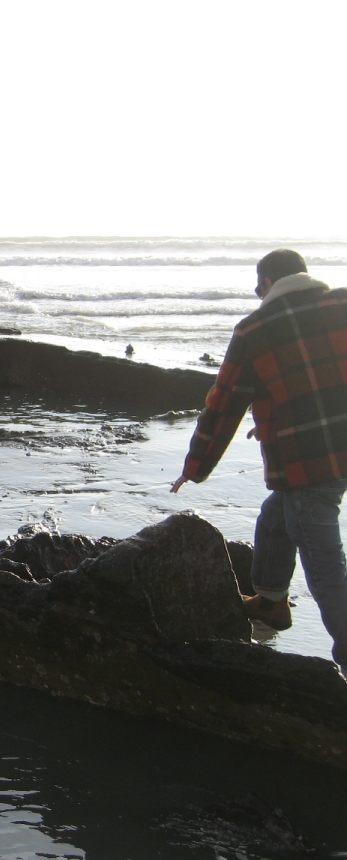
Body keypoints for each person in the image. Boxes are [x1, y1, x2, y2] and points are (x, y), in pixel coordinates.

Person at [171, 249, 347, 673]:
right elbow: (318, 381)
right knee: (276, 515)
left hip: (310, 462)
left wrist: (194, 467)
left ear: (266, 284)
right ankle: (270, 600)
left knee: (323, 566)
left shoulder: (255, 330)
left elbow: (223, 407)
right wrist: (275, 419)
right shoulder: (341, 304)